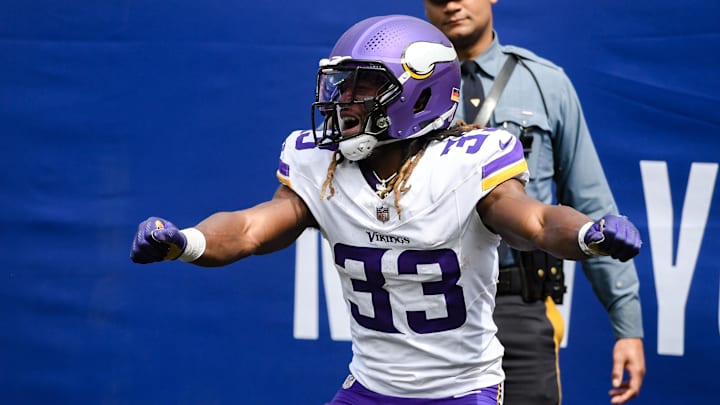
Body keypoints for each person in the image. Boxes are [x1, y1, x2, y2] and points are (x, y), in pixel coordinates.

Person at [130, 14, 642, 405]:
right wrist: (187, 242)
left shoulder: (469, 161)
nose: (344, 100)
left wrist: (586, 234)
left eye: (365, 86)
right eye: (342, 84)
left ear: (420, 94)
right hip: (371, 387)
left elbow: (536, 221)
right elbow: (248, 230)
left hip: (460, 392)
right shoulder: (321, 163)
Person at [422, 1, 646, 404]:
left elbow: (590, 201)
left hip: (520, 306)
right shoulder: (404, 90)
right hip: (430, 309)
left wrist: (626, 323)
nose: (451, 4)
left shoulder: (545, 83)